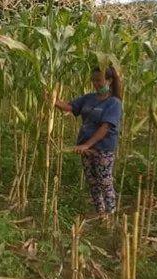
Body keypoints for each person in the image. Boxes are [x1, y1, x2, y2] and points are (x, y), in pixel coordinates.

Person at [53, 66, 123, 218]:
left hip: (102, 149)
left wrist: (86, 144)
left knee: (104, 182)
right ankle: (100, 213)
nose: (95, 83)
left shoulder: (114, 103)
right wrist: (53, 100)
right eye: (93, 80)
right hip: (86, 149)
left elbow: (105, 127)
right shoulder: (88, 98)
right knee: (92, 182)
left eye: (99, 80)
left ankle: (110, 215)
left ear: (109, 81)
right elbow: (70, 107)